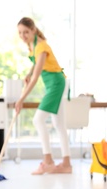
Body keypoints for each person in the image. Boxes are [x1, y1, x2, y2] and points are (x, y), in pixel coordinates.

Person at [15, 17, 72, 174]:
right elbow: (36, 66)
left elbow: (36, 78)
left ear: (33, 30)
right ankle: (66, 164)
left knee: (37, 119)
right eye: (20, 32)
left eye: (26, 32)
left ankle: (48, 161)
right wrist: (29, 72)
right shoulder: (33, 45)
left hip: (56, 84)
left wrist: (21, 100)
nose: (23, 36)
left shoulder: (41, 46)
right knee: (59, 124)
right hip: (55, 83)